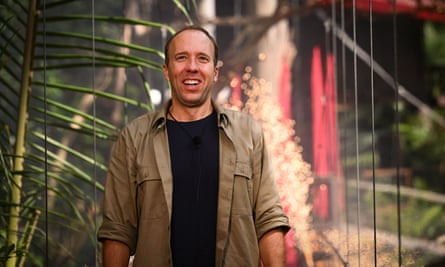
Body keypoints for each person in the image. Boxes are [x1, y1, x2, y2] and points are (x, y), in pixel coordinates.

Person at [98, 25, 290, 267]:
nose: (192, 67)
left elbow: (268, 219)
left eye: (202, 58)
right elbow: (118, 229)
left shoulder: (248, 133)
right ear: (167, 71)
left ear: (215, 70)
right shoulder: (134, 137)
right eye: (181, 58)